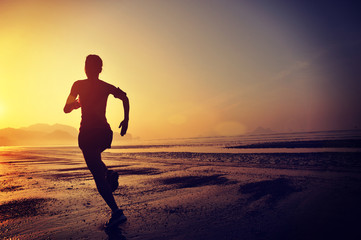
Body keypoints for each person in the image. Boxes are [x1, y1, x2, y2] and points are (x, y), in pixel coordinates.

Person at [64, 54, 130, 228]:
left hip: (88, 134)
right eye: (86, 64)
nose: (87, 67)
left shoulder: (78, 85)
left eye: (89, 65)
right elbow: (125, 97)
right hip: (104, 134)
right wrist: (126, 120)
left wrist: (75, 104)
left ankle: (117, 213)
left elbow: (65, 109)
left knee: (96, 174)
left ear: (98, 69)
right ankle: (109, 174)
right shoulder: (104, 86)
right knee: (95, 162)